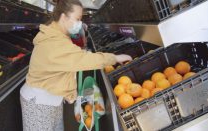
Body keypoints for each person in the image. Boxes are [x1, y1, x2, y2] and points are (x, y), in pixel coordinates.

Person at [19, 0, 132, 131]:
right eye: (77, 19)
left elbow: (64, 63)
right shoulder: (54, 43)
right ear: (63, 17)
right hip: (38, 102)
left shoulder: (56, 35)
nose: (79, 23)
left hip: (51, 97)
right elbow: (83, 60)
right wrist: (114, 58)